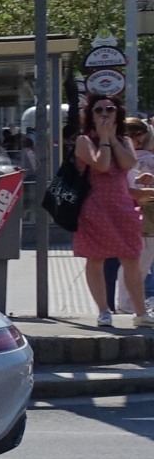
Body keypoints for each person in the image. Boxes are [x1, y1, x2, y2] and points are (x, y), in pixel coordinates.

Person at [73, 93, 151, 328]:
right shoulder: (84, 140)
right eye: (99, 110)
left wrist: (113, 139)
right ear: (90, 115)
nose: (105, 113)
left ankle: (140, 312)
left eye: (110, 109)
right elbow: (102, 165)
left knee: (131, 257)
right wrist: (103, 137)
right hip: (93, 207)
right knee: (96, 258)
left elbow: (127, 164)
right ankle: (103, 310)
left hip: (122, 206)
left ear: (118, 113)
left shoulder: (124, 140)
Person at [118, 116, 154, 314]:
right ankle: (129, 304)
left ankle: (127, 303)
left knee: (132, 261)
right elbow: (131, 191)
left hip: (125, 213)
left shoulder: (119, 158)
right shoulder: (146, 159)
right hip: (142, 215)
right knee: (141, 260)